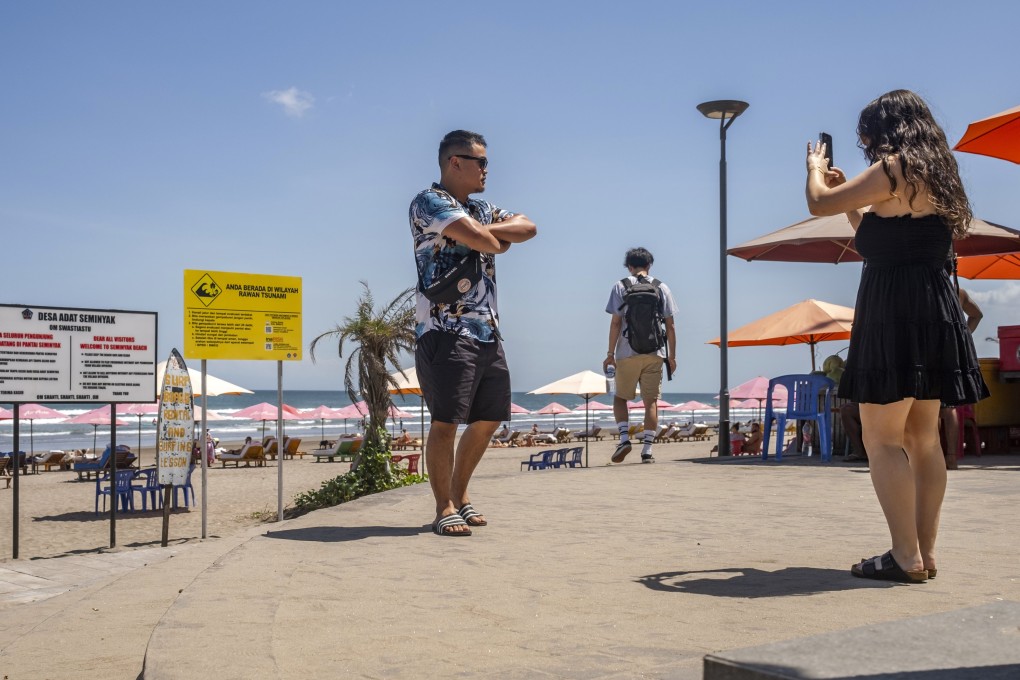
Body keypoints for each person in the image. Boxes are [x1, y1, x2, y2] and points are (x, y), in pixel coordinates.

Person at [805, 89, 989, 583]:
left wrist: (814, 168)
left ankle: (902, 555)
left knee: (881, 438)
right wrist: (856, 203)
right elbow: (882, 237)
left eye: (867, 134)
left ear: (885, 130)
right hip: (933, 308)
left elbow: (816, 202)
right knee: (921, 438)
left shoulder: (892, 167)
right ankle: (923, 553)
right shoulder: (941, 172)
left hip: (892, 308)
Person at [410, 129, 537, 536]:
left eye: (487, 162)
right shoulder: (428, 202)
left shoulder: (480, 207)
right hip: (445, 328)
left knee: (489, 419)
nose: (486, 169)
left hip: (487, 331)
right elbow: (491, 241)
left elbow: (529, 227)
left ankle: (461, 496)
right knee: (446, 421)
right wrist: (495, 236)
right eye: (480, 161)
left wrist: (490, 235)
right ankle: (443, 506)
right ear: (455, 162)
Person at [602, 247, 678, 464]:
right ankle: (647, 450)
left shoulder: (621, 286)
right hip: (655, 353)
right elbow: (671, 326)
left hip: (627, 353)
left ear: (629, 266)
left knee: (620, 397)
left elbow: (616, 322)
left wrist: (609, 354)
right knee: (650, 402)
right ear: (649, 266)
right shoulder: (661, 287)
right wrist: (671, 357)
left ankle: (624, 439)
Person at [940, 288, 983, 470]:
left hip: (928, 349)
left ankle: (931, 455)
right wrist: (964, 336)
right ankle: (951, 457)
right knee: (949, 408)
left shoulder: (922, 285)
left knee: (928, 406)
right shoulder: (957, 290)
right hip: (952, 352)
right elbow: (977, 315)